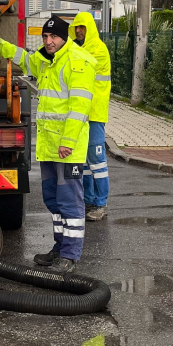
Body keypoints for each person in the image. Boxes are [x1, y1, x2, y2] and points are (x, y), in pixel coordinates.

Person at [0, 16, 95, 274]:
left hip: (67, 149)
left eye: (53, 37)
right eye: (45, 37)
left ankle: (70, 255)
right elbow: (23, 56)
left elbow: (79, 108)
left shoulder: (78, 63)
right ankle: (60, 247)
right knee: (52, 200)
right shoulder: (48, 60)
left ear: (64, 37)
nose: (48, 41)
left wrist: (67, 142)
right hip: (49, 146)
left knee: (70, 202)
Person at [71, 12, 111, 221]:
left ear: (90, 29)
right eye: (76, 27)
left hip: (94, 113)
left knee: (96, 160)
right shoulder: (77, 48)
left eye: (82, 27)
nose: (78, 31)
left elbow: (81, 70)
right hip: (81, 114)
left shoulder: (98, 49)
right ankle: (89, 201)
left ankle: (101, 204)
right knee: (85, 161)